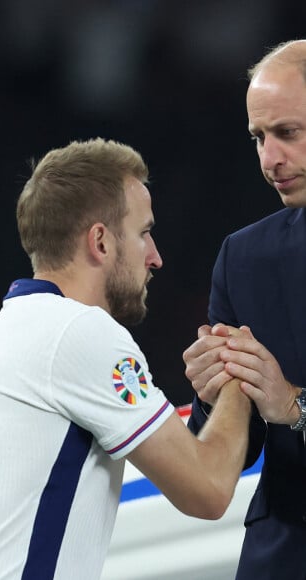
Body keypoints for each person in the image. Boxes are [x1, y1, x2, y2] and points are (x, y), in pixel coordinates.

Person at [0, 138, 253, 580]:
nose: (155, 257)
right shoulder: (81, 332)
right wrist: (239, 370)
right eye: (143, 232)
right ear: (99, 240)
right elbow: (208, 491)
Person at [183, 39, 306, 579]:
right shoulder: (245, 257)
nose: (269, 159)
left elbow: (284, 407)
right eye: (259, 138)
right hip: (282, 548)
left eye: (287, 133)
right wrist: (212, 396)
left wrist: (296, 406)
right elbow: (240, 445)